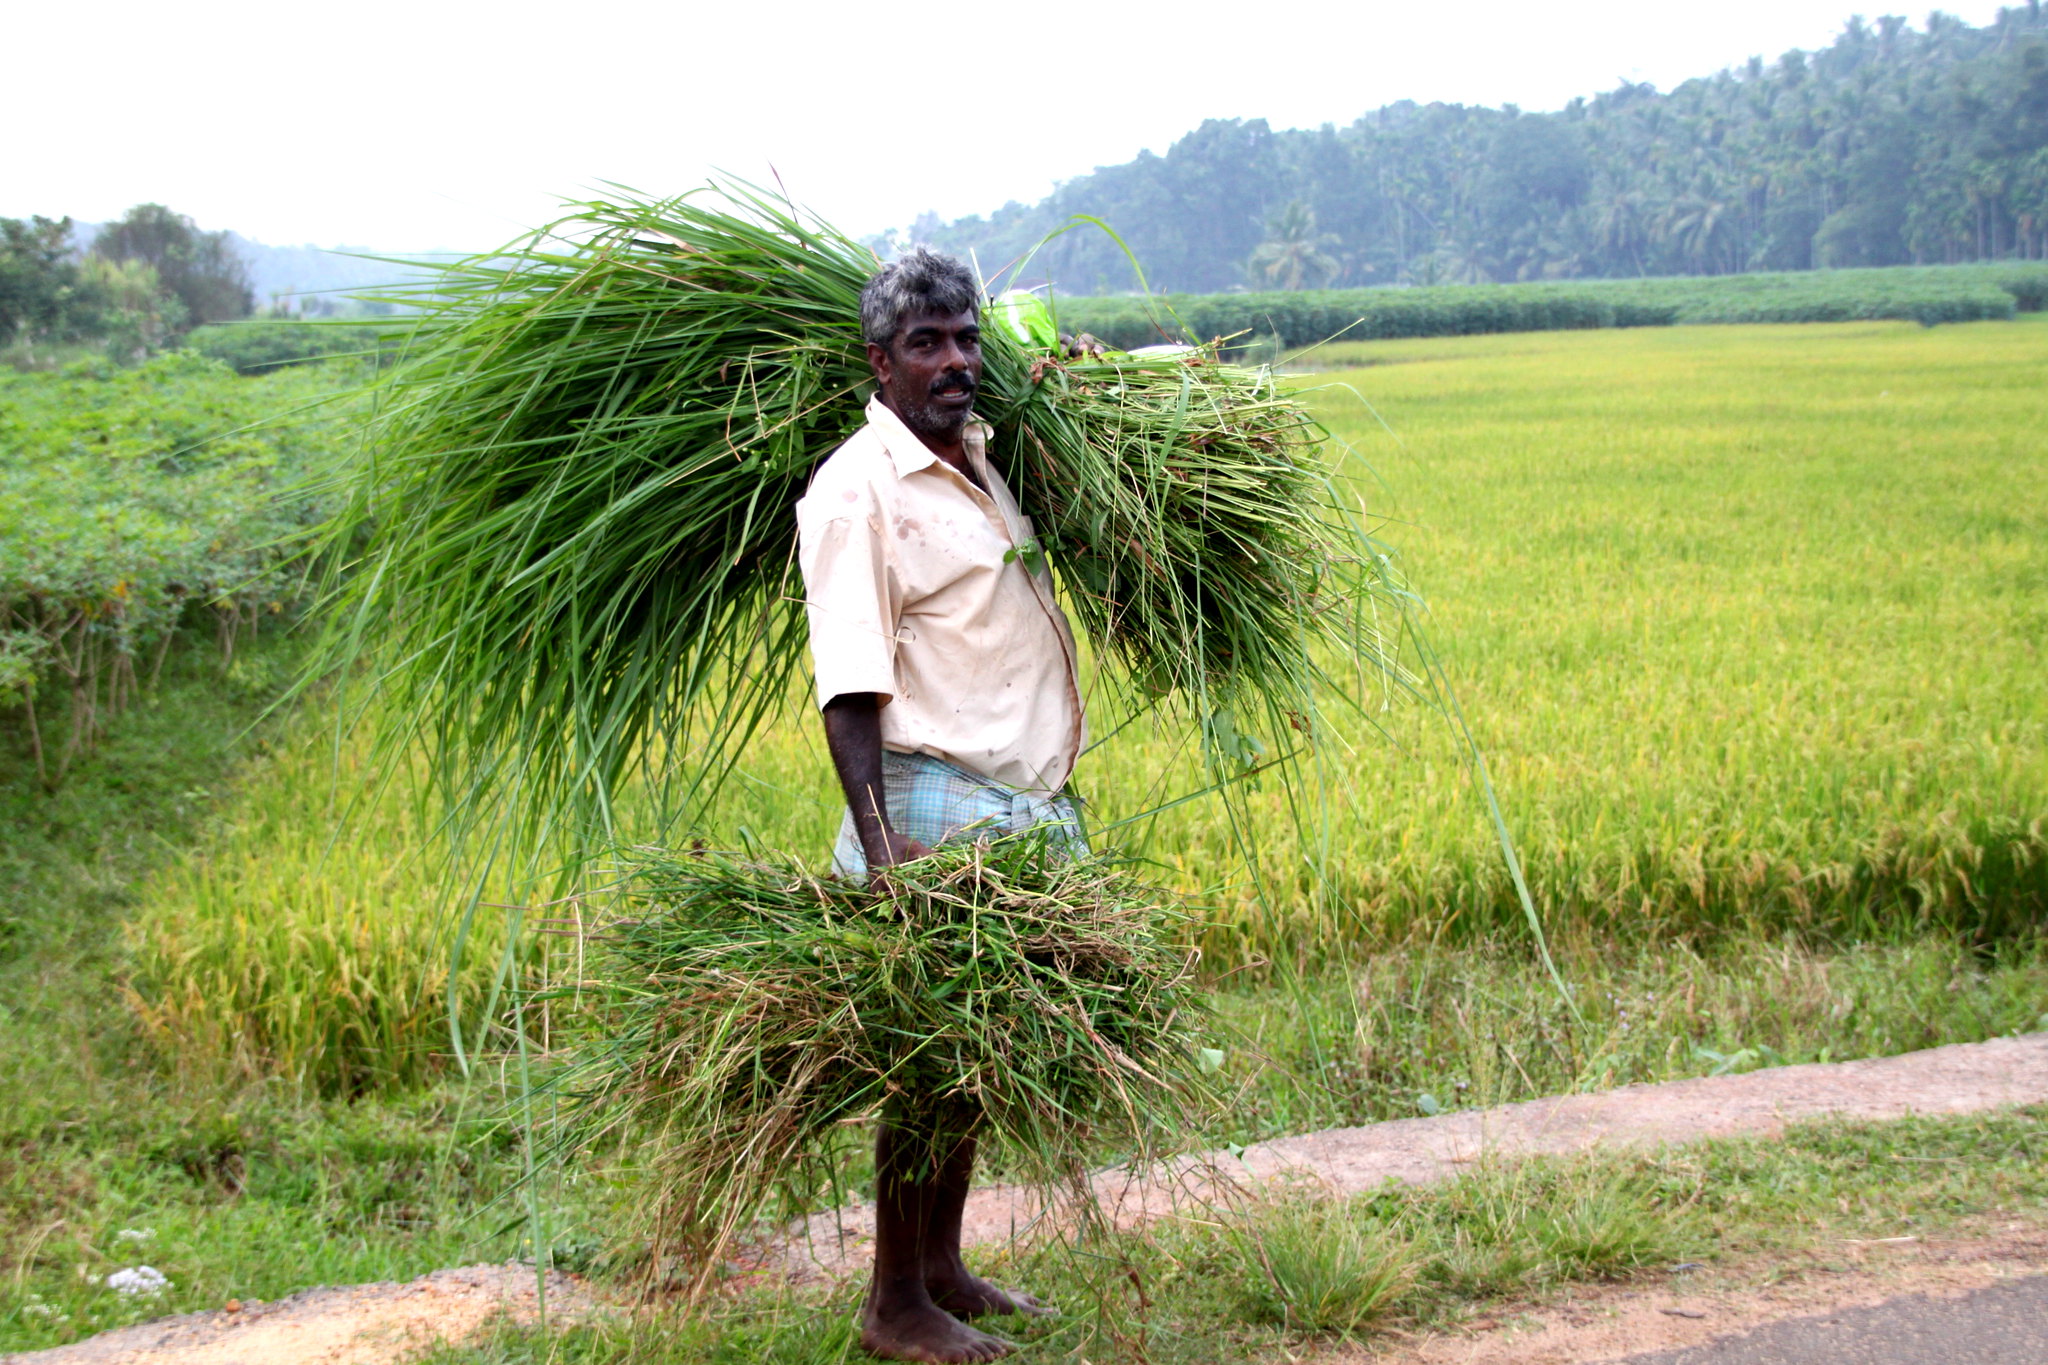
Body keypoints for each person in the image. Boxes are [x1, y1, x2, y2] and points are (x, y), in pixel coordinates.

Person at [795, 247, 1087, 1363]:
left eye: (965, 337)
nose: (955, 360)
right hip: (926, 805)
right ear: (880, 361)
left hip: (1010, 801)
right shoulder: (854, 492)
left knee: (972, 1051)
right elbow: (849, 687)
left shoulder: (980, 457)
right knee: (926, 1058)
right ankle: (890, 1306)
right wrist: (882, 846)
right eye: (926, 344)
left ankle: (941, 1268)